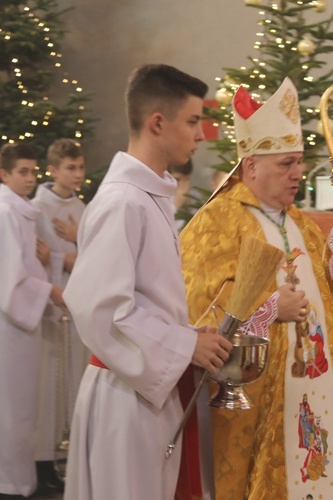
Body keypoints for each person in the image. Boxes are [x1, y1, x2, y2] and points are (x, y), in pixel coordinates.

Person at [180, 77, 333, 499]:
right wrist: (269, 308)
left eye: (299, 162)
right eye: (286, 164)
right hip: (255, 395)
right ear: (251, 167)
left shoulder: (300, 222)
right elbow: (197, 308)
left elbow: (332, 302)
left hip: (313, 381)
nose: (298, 173)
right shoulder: (216, 223)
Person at [61, 64, 233, 500]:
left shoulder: (148, 196)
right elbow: (99, 309)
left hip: (146, 388)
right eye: (194, 120)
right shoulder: (123, 201)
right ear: (158, 122)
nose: (201, 133)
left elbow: (144, 300)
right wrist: (184, 345)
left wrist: (188, 335)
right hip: (125, 396)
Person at [0, 143, 65, 499]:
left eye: (33, 171)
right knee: (11, 408)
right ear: (4, 175)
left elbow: (25, 270)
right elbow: (9, 281)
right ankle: (10, 484)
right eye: (22, 172)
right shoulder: (5, 213)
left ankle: (19, 481)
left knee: (24, 408)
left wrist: (44, 265)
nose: (30, 178)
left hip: (23, 325)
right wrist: (51, 291)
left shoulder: (23, 212)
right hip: (9, 326)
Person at [30, 138, 88, 494]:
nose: (78, 174)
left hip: (78, 306)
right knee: (48, 385)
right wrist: (59, 259)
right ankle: (42, 461)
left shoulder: (83, 208)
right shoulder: (35, 209)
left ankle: (70, 458)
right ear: (53, 170)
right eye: (71, 168)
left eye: (81, 167)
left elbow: (100, 252)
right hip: (50, 308)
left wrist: (78, 241)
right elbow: (31, 258)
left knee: (75, 382)